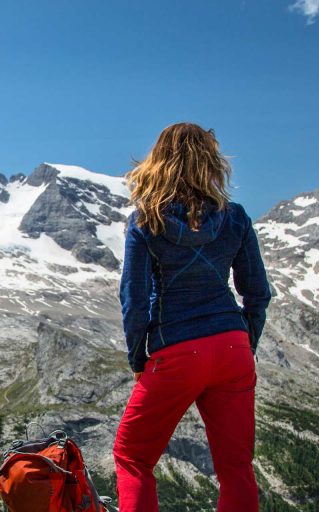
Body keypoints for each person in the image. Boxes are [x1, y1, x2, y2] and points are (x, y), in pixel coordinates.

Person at [112, 122, 272, 511]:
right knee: (236, 467)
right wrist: (243, 342)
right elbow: (257, 292)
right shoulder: (235, 218)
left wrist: (139, 358)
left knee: (132, 457)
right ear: (212, 164)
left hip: (177, 351)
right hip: (232, 347)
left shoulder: (146, 222)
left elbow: (134, 300)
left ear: (158, 163)